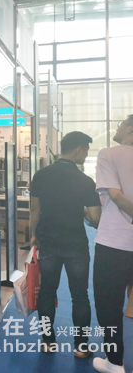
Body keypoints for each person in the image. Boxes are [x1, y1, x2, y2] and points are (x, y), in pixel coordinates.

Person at [30, 131, 102, 357]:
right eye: (86, 150)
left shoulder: (41, 175)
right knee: (79, 295)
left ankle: (47, 341)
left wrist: (33, 235)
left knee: (47, 290)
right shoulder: (85, 181)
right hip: (75, 244)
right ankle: (81, 347)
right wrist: (82, 212)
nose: (86, 154)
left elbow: (34, 209)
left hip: (48, 241)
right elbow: (95, 217)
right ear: (79, 149)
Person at [92, 115, 133, 373]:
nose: (117, 127)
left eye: (121, 123)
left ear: (131, 128)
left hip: (114, 243)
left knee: (109, 304)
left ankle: (115, 363)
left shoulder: (108, 154)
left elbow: (115, 195)